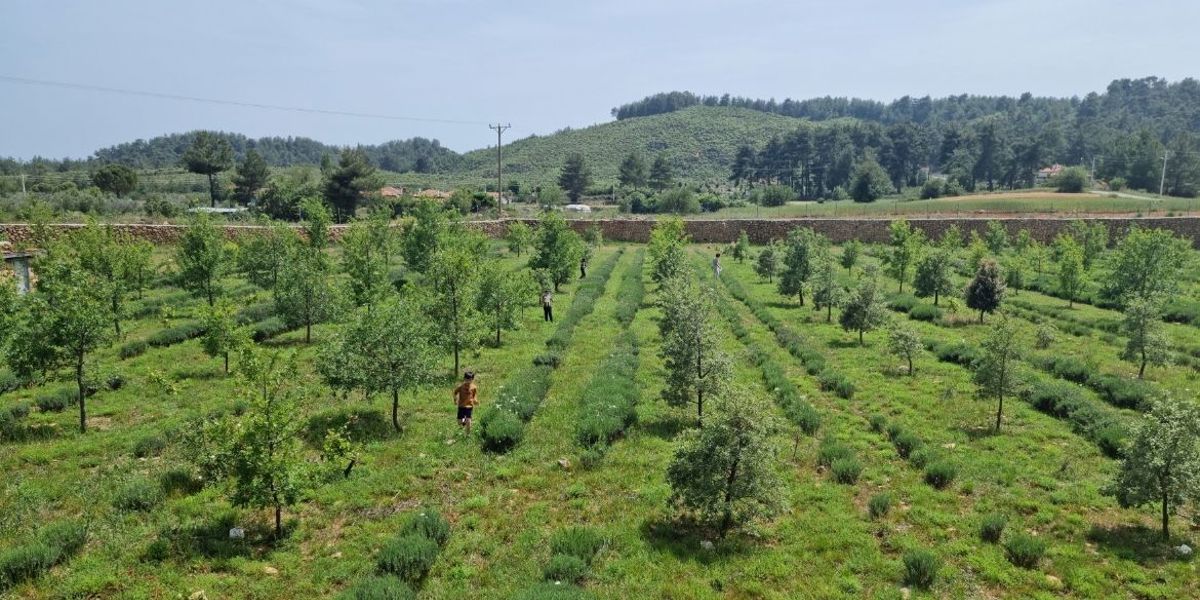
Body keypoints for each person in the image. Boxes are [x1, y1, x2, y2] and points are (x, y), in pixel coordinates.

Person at [453, 371, 478, 436]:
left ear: (472, 379)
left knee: (469, 420)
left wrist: (475, 400)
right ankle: (463, 421)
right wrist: (455, 399)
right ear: (464, 379)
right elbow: (455, 392)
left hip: (469, 406)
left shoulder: (474, 387)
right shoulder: (461, 386)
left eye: (470, 380)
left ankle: (468, 434)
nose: (468, 381)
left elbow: (474, 394)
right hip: (461, 405)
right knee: (459, 422)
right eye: (466, 379)